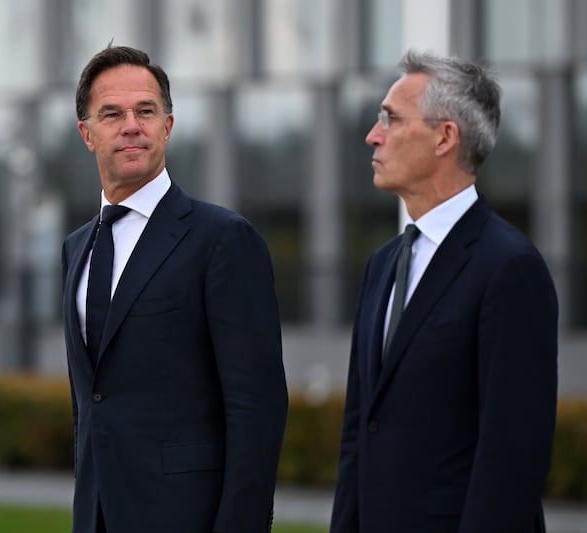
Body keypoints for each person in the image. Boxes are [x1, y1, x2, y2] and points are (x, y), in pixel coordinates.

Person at [61, 44, 288, 533]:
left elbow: (257, 408)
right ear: (87, 134)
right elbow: (91, 404)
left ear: (167, 125)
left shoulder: (224, 240)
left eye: (146, 111)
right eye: (112, 114)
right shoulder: (76, 250)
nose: (131, 125)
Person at [330, 50, 558, 533]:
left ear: (445, 137)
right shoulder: (383, 264)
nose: (373, 135)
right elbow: (359, 435)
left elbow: (511, 456)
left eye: (390, 119)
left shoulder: (509, 268)